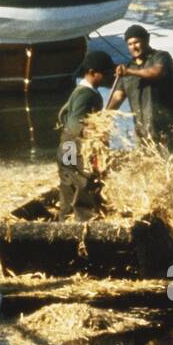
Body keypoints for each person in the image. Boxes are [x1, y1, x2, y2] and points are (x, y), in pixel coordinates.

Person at [106, 23, 173, 156]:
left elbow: (157, 72)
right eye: (130, 44)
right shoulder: (127, 68)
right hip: (143, 129)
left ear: (147, 39)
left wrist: (130, 72)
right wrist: (103, 117)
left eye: (137, 42)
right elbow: (118, 96)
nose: (134, 47)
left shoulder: (161, 57)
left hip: (168, 126)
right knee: (148, 163)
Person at [56, 49, 114, 219]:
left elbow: (63, 115)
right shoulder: (85, 94)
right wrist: (86, 131)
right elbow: (74, 120)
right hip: (73, 144)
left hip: (67, 143)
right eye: (106, 73)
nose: (109, 77)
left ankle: (65, 216)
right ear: (92, 73)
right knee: (81, 179)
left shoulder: (85, 90)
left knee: (68, 179)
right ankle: (83, 220)